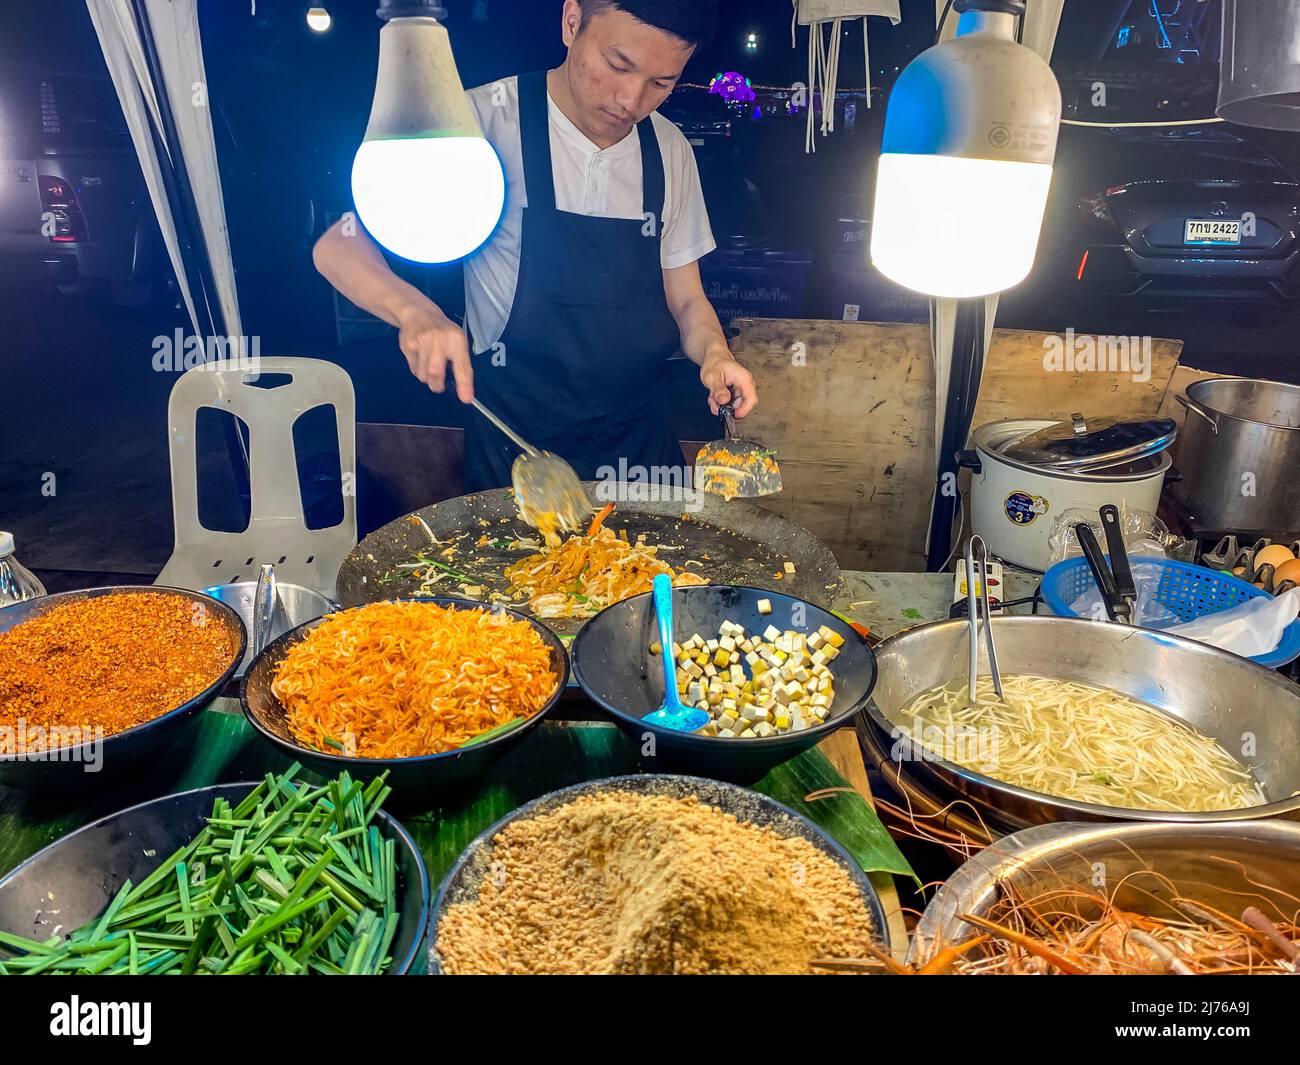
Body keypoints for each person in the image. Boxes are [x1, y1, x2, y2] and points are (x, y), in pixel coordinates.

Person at [313, 0, 758, 492]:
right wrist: (416, 313)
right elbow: (339, 246)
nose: (631, 100)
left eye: (661, 83)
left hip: (639, 452)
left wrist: (716, 355)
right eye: (618, 64)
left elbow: (687, 299)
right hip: (517, 457)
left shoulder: (669, 149)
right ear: (572, 23)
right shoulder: (476, 125)